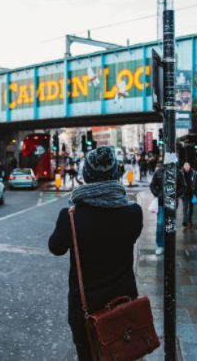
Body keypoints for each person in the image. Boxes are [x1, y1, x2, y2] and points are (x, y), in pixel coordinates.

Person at [49, 146, 142, 361]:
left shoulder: (71, 216)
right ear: (115, 175)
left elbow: (56, 247)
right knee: (124, 353)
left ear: (86, 177)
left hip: (85, 310)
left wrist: (75, 204)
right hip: (123, 304)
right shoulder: (133, 213)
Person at [150, 162, 186, 255]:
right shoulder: (158, 172)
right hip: (161, 202)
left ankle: (170, 244)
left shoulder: (178, 172)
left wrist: (176, 195)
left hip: (173, 203)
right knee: (160, 223)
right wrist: (157, 194)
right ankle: (160, 245)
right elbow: (152, 185)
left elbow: (183, 186)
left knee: (171, 224)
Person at [181, 162, 195, 227]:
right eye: (185, 165)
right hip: (185, 193)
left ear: (190, 166)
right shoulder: (182, 173)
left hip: (191, 193)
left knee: (191, 208)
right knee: (185, 207)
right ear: (183, 166)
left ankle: (189, 219)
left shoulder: (193, 173)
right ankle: (185, 220)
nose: (187, 166)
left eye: (188, 165)